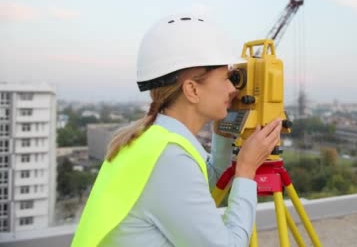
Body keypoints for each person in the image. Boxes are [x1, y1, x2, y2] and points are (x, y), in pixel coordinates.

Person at [71, 14, 282, 246]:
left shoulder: (153, 139)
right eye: (226, 78)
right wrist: (246, 169)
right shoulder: (170, 157)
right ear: (192, 90)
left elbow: (204, 183)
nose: (233, 88)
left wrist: (222, 135)